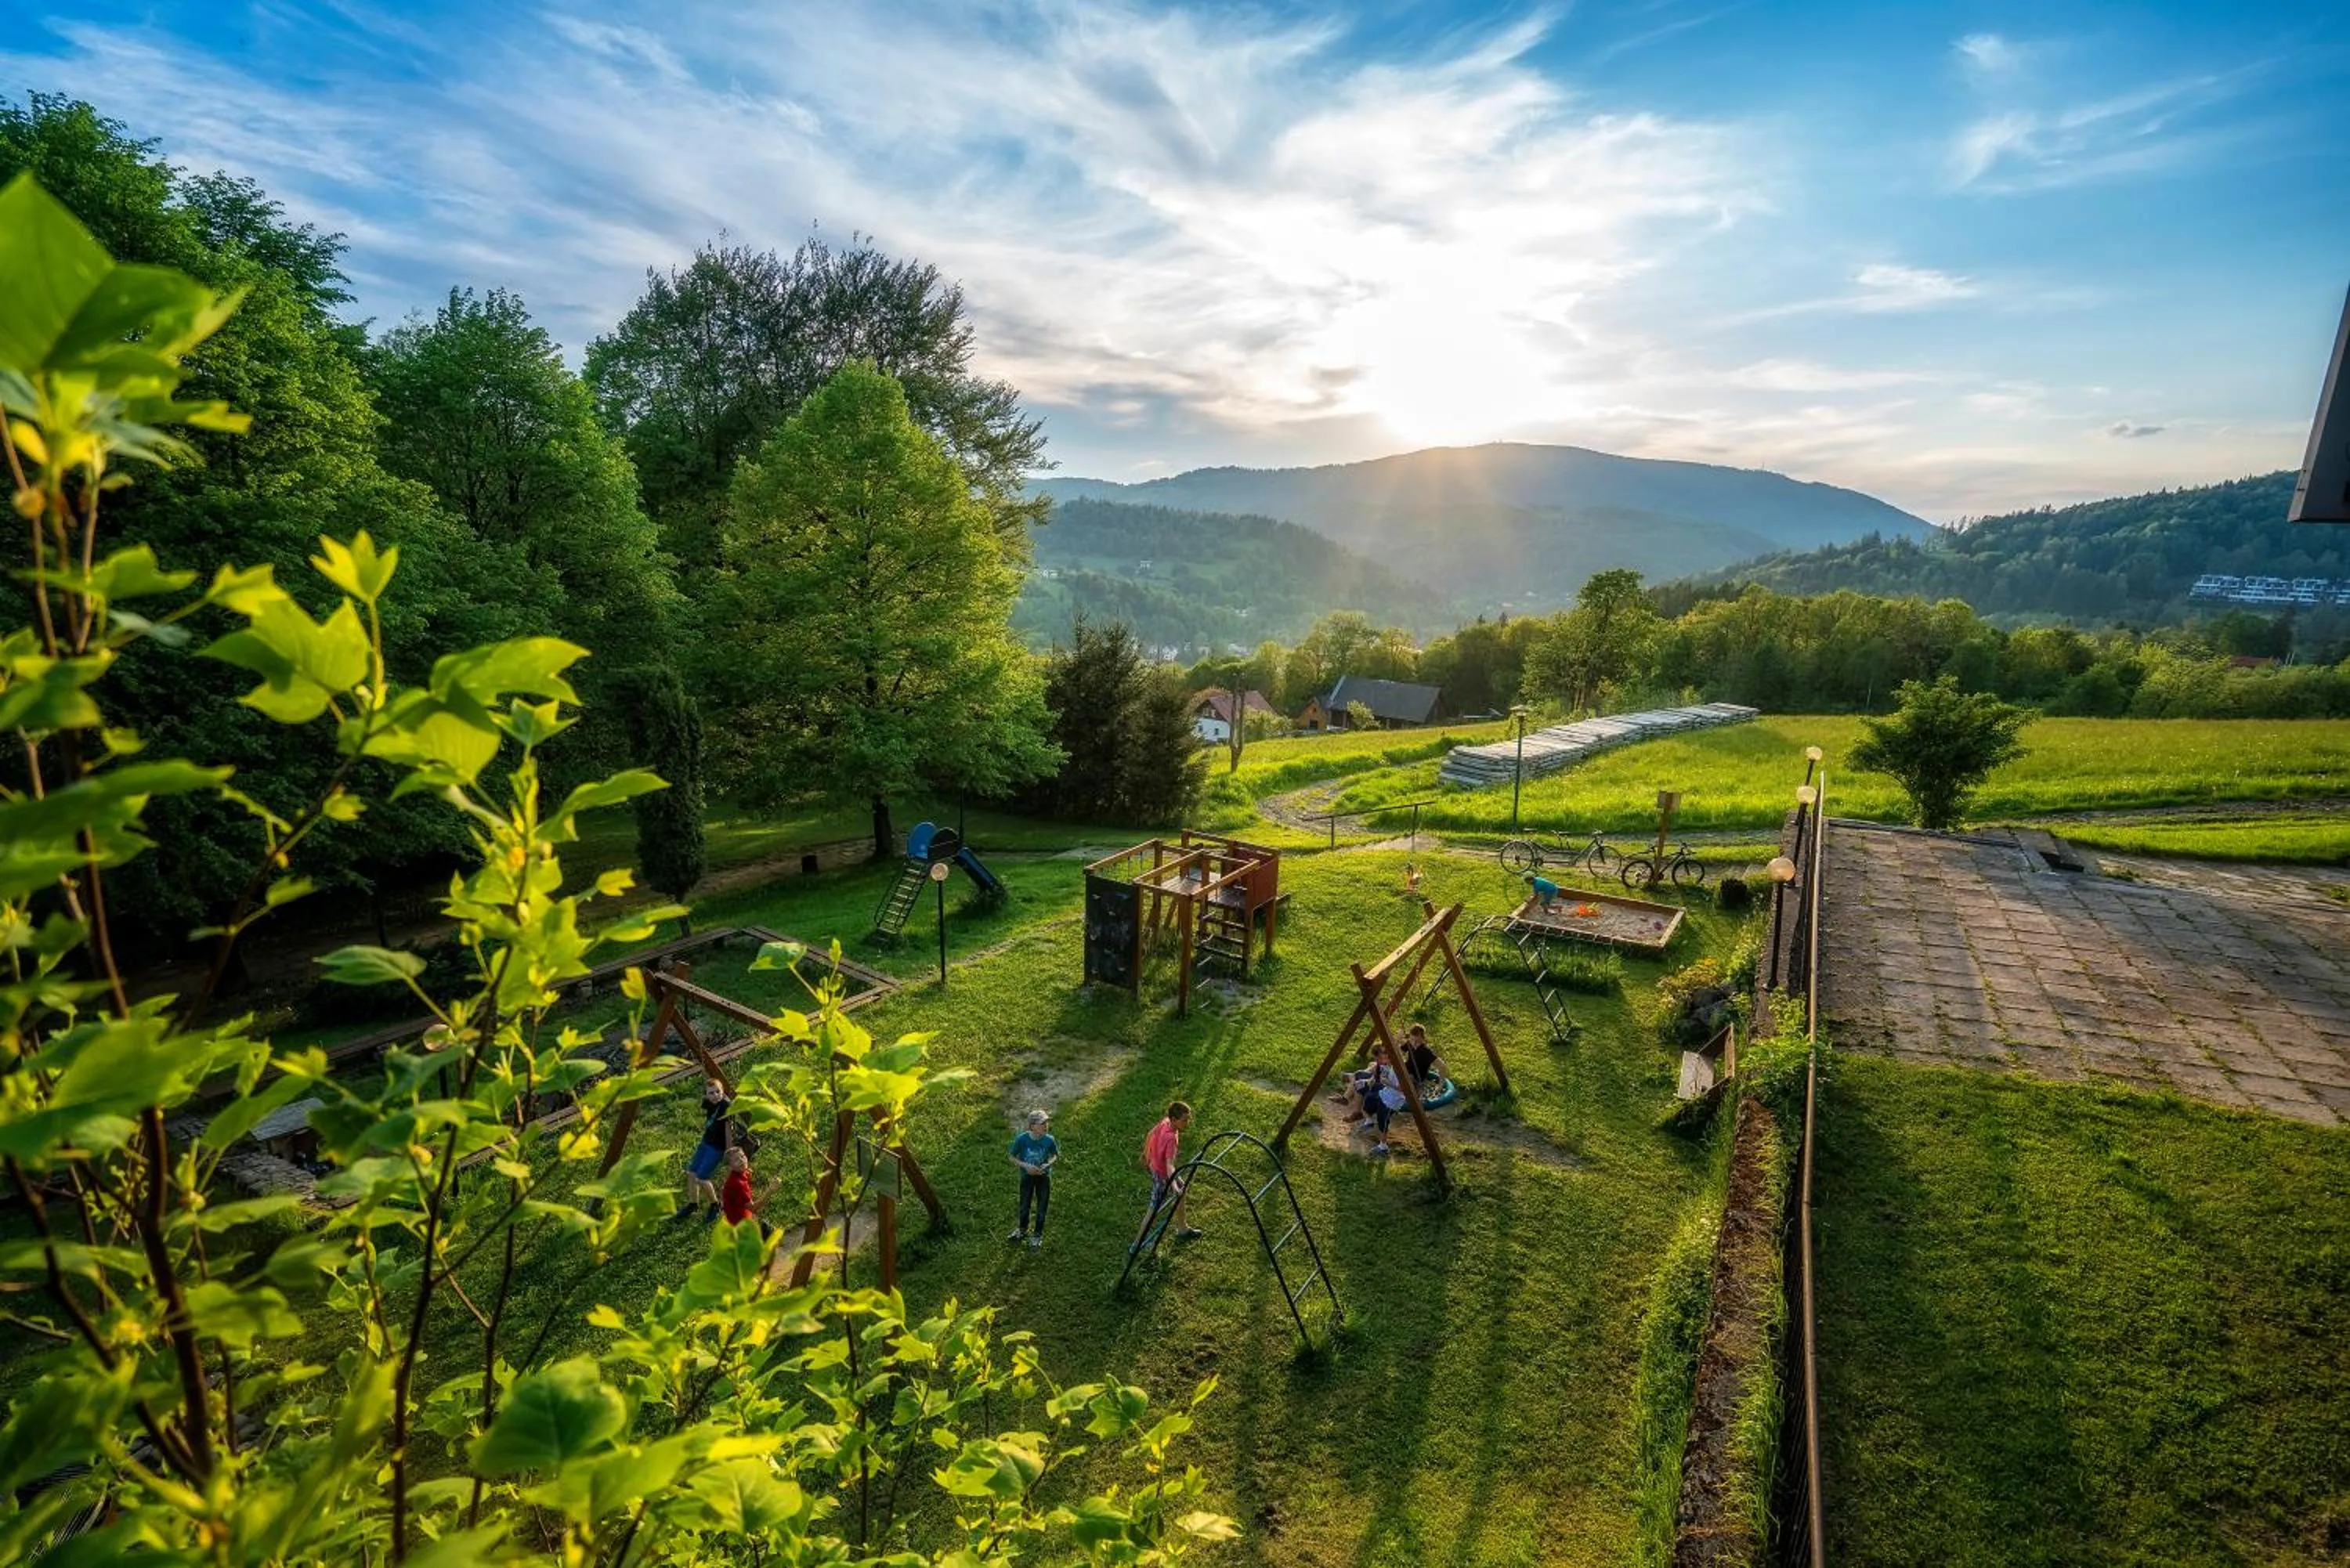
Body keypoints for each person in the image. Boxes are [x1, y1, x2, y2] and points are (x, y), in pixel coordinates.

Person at [1131, 1100, 1200, 1252]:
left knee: (1182, 1188)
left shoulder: (1166, 1122)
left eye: (1188, 1119)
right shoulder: (1171, 1139)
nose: (1187, 1123)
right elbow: (1169, 1166)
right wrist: (1173, 1186)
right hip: (1161, 1175)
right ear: (1174, 1120)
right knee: (1153, 1209)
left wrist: (1146, 1154)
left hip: (1156, 1167)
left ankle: (1182, 1228)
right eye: (1185, 1120)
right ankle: (1136, 1245)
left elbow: (1151, 1133)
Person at [675, 1073, 732, 1222]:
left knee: (701, 1177)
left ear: (723, 1091)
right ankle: (693, 1204)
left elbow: (729, 1130)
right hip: (706, 1142)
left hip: (718, 1147)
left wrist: (729, 1150)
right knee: (691, 1173)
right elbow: (704, 1102)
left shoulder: (726, 1106)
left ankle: (715, 1204)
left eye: (718, 1092)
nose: (715, 1096)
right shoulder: (708, 1102)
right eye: (711, 1093)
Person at [1008, 1109, 1058, 1248]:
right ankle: (1022, 1230)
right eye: (1042, 1123)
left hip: (1044, 1178)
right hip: (1027, 1177)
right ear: (1032, 1126)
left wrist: (1047, 1164)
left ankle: (1037, 1235)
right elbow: (1011, 1157)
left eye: (1046, 1122)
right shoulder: (1022, 1139)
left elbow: (1055, 1155)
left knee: (1042, 1207)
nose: (1046, 1125)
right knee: (1024, 1205)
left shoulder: (1049, 1140)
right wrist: (1026, 1166)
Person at [1350, 1058, 1407, 1156]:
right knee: (1368, 1103)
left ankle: (1383, 1147)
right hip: (1385, 1094)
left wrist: (1388, 1082)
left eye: (1387, 1056)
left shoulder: (1401, 1070)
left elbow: (1403, 1088)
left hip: (1393, 1100)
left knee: (1383, 1122)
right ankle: (1369, 1122)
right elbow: (1379, 1077)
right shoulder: (1390, 1067)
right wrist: (1367, 1082)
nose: (1385, 1059)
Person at [718, 1145, 767, 1234]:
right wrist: (771, 1190)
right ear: (730, 1167)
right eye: (737, 1160)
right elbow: (754, 1208)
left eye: (743, 1156)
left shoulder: (740, 1173)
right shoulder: (738, 1184)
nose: (742, 1160)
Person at [1401, 1024, 1448, 1095]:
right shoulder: (1410, 1043)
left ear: (1422, 1039)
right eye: (1412, 1040)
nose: (1414, 1044)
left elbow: (1442, 1067)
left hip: (1416, 1078)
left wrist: (1440, 1085)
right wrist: (1398, 1039)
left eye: (1417, 1041)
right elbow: (1399, 1051)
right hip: (1407, 1071)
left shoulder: (1425, 1052)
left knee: (1409, 1080)